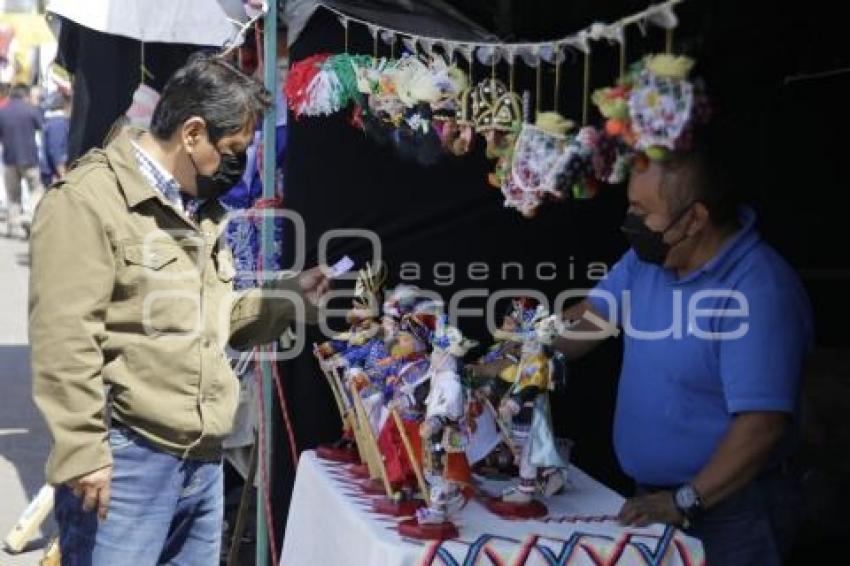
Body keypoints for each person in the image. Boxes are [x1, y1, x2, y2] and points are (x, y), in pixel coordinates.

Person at [29, 53, 330, 564]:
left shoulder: (199, 209)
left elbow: (209, 318)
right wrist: (84, 454)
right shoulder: (89, 201)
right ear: (192, 133)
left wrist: (289, 297)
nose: (238, 164)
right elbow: (63, 340)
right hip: (125, 462)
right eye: (232, 150)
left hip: (200, 462)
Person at [542, 61, 813, 564]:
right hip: (654, 497)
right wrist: (526, 353)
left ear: (695, 219)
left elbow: (762, 424)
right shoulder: (648, 261)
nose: (630, 222)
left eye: (643, 212)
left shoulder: (759, 290)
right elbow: (593, 319)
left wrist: (686, 499)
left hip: (731, 511)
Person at [0, 83, 44, 237]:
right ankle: (29, 214)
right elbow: (41, 125)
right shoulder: (30, 110)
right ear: (25, 95)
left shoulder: (2, 111)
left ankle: (14, 225)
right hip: (29, 158)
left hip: (9, 159)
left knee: (13, 195)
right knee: (37, 189)